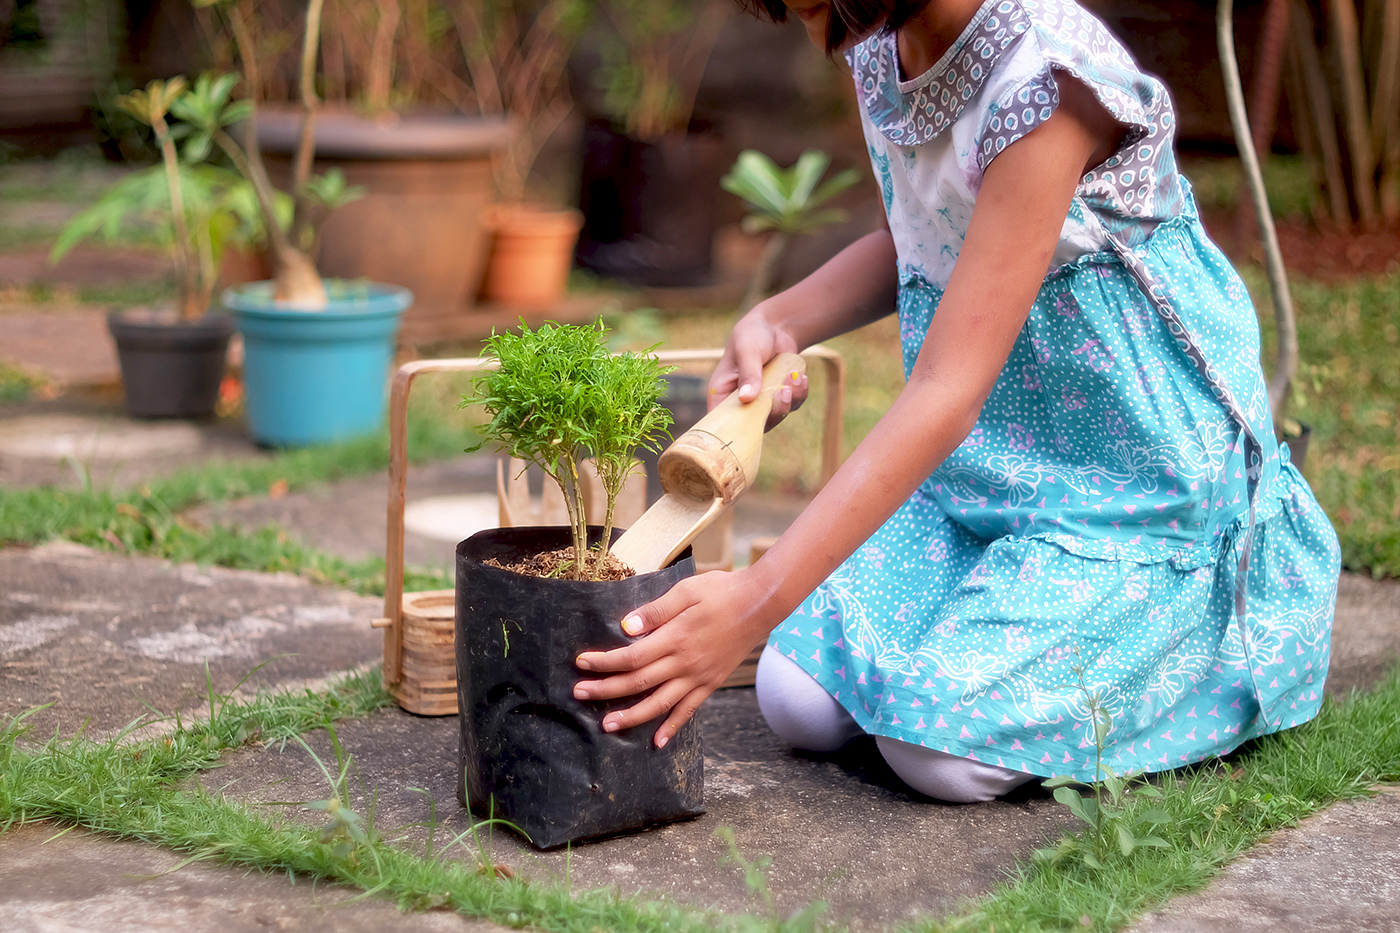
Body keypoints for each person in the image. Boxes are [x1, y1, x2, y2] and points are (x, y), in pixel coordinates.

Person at [572, 0, 1341, 802]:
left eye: (812, 5)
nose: (810, 31)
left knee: (929, 750)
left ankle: (1195, 644)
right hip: (993, 477)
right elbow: (921, 233)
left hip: (1134, 487)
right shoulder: (886, 39)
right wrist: (780, 317)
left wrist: (756, 601)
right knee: (793, 697)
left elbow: (946, 392)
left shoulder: (1044, 83)